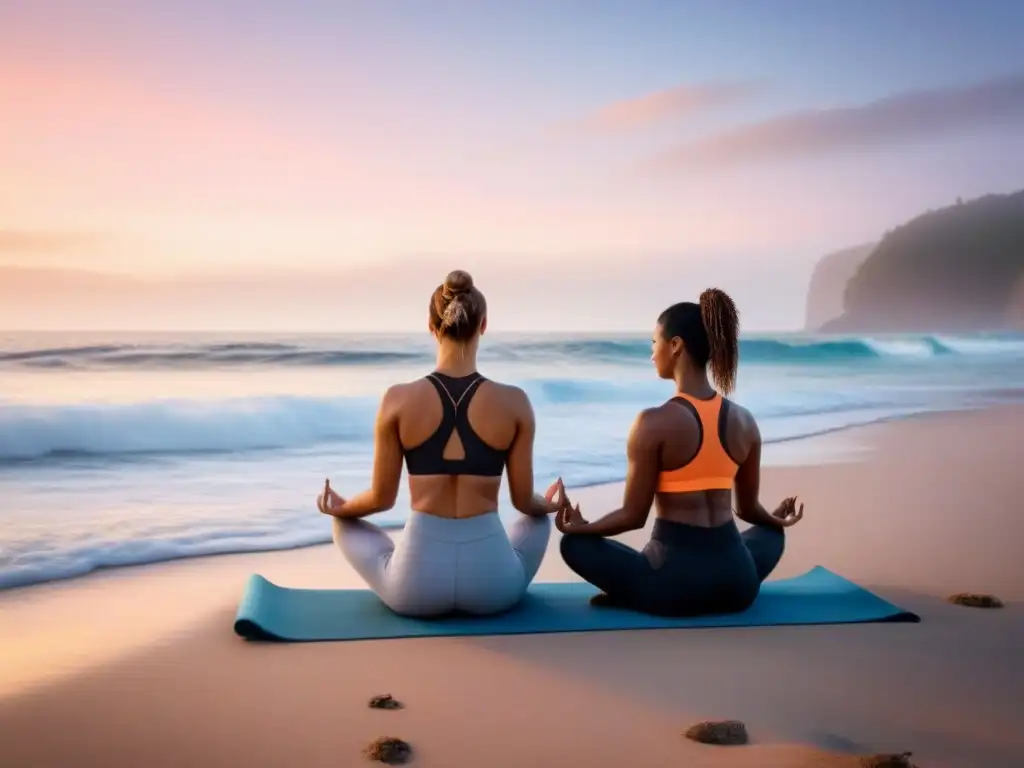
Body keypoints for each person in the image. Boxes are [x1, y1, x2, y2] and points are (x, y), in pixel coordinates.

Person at [316, 270, 559, 617]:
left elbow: (381, 499)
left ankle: (387, 553)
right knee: (538, 520)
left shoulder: (397, 400)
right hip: (493, 588)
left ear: (432, 327)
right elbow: (523, 501)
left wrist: (342, 508)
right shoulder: (515, 402)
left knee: (343, 523)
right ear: (484, 325)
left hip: (415, 589)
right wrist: (548, 505)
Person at [554, 288, 805, 617]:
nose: (652, 353)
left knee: (573, 546)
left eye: (654, 342)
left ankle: (635, 593)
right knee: (770, 534)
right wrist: (776, 520)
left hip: (674, 587)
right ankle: (699, 579)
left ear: (675, 345)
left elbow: (632, 516)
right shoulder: (744, 421)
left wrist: (581, 528)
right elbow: (748, 509)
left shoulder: (652, 422)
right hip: (738, 584)